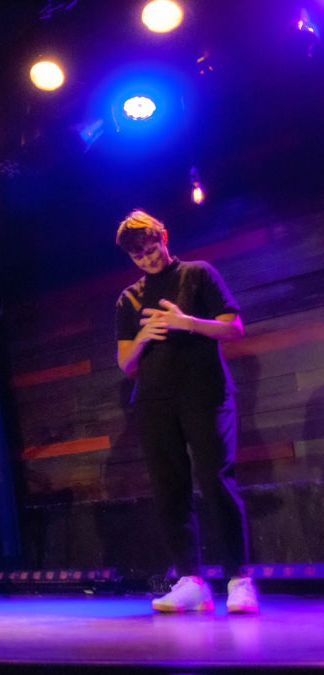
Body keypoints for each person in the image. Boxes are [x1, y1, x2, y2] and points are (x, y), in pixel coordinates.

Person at [114, 209, 257, 614]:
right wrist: (142, 335)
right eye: (138, 256)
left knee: (216, 481)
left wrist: (186, 322)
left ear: (163, 235)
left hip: (206, 393)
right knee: (170, 491)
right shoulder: (129, 298)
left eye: (151, 247)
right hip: (155, 400)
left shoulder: (198, 274)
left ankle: (239, 579)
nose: (148, 258)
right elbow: (125, 363)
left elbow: (234, 328)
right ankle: (191, 580)